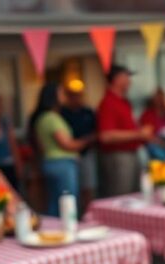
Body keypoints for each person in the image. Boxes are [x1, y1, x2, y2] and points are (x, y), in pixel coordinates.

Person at [33, 83, 94, 215]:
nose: (64, 96)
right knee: (67, 203)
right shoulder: (51, 118)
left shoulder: (42, 118)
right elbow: (66, 144)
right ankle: (66, 231)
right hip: (62, 164)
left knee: (56, 202)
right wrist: (89, 139)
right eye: (61, 93)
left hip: (50, 162)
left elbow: (41, 146)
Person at [97, 64, 153, 198]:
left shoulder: (123, 102)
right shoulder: (108, 103)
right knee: (121, 196)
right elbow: (105, 136)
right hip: (118, 156)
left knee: (135, 195)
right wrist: (138, 134)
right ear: (117, 79)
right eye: (126, 77)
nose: (130, 81)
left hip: (132, 153)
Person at [60, 82, 98, 210]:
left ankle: (88, 212)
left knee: (88, 187)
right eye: (73, 96)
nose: (76, 98)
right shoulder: (63, 113)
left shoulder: (87, 111)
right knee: (72, 190)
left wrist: (88, 141)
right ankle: (76, 214)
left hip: (86, 153)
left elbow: (96, 131)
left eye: (79, 95)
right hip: (69, 156)